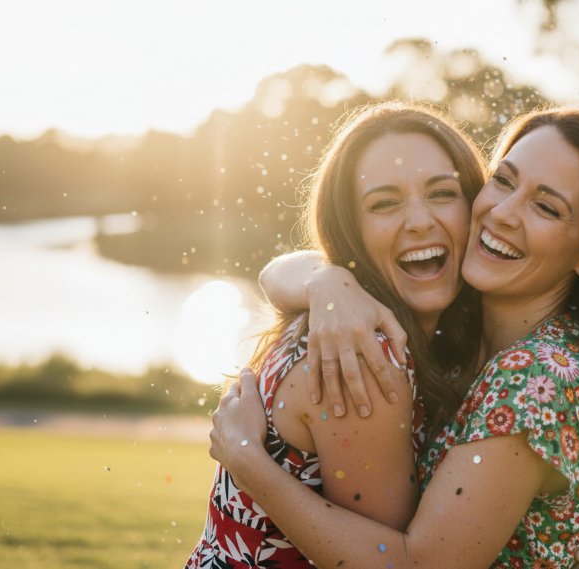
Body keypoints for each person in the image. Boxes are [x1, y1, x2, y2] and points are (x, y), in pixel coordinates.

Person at [210, 105, 579, 567]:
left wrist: (251, 466)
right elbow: (280, 271)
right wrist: (327, 282)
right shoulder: (450, 333)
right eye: (503, 180)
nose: (502, 213)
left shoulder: (538, 376)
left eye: (545, 207)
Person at [185, 101, 486, 567]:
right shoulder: (362, 353)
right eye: (385, 203)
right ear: (351, 227)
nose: (420, 221)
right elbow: (394, 564)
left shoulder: (349, 310)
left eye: (443, 193)